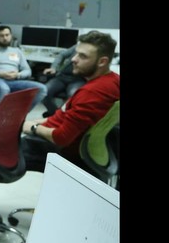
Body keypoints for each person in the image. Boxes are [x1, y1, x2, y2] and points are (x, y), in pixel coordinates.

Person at [21, 31, 119, 172]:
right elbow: (66, 115)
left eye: (82, 56)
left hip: (57, 148)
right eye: (76, 53)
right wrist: (38, 122)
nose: (73, 59)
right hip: (57, 133)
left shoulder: (91, 93)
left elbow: (62, 138)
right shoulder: (114, 80)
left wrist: (33, 128)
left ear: (102, 62)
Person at [0, 25, 46, 116]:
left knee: (42, 89)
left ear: (11, 36)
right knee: (4, 88)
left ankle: (17, 116)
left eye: (7, 35)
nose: (5, 38)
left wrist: (18, 75)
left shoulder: (17, 51)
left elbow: (28, 71)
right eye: (2, 36)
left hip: (14, 80)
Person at [40, 44, 84, 117]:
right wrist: (54, 67)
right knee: (44, 92)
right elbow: (62, 54)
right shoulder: (78, 46)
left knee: (73, 97)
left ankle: (60, 116)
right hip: (62, 76)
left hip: (78, 79)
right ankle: (54, 114)